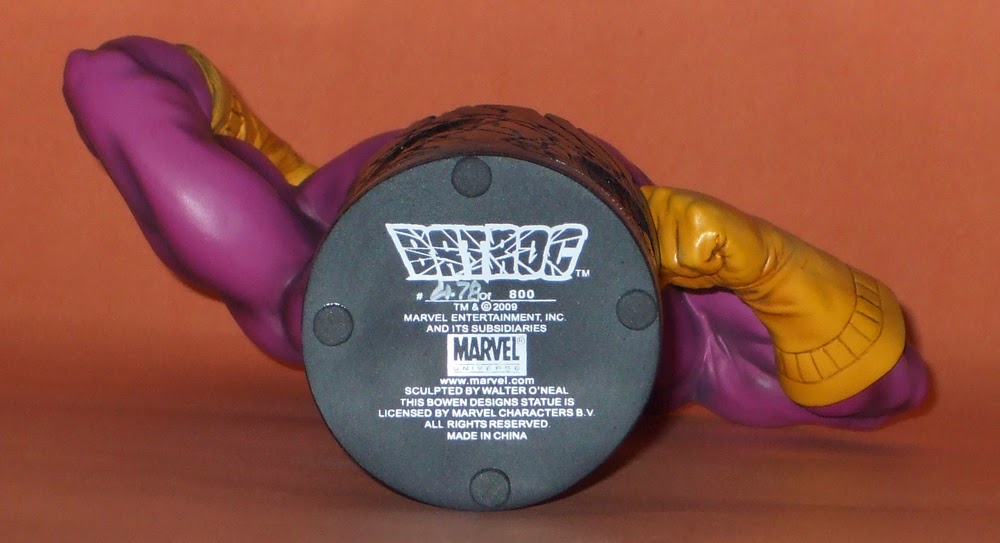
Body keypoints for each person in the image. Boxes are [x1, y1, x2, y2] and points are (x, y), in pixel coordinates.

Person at [64, 36, 928, 429]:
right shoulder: (312, 258)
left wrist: (764, 262)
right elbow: (107, 76)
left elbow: (889, 389)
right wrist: (771, 269)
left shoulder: (312, 271)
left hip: (332, 258)